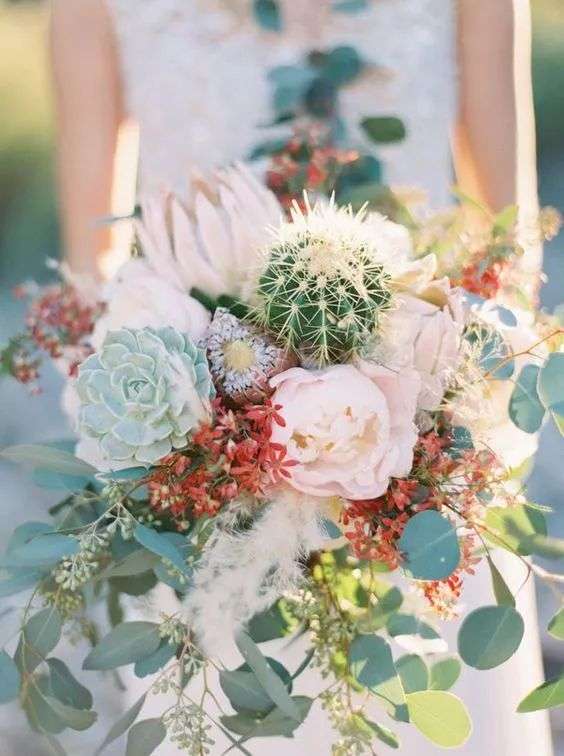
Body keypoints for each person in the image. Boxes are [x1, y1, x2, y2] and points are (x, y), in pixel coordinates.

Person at [50, 1, 552, 753]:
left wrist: (430, 415)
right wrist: (201, 437)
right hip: (200, 464)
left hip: (417, 459)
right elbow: (92, 276)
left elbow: (508, 253)